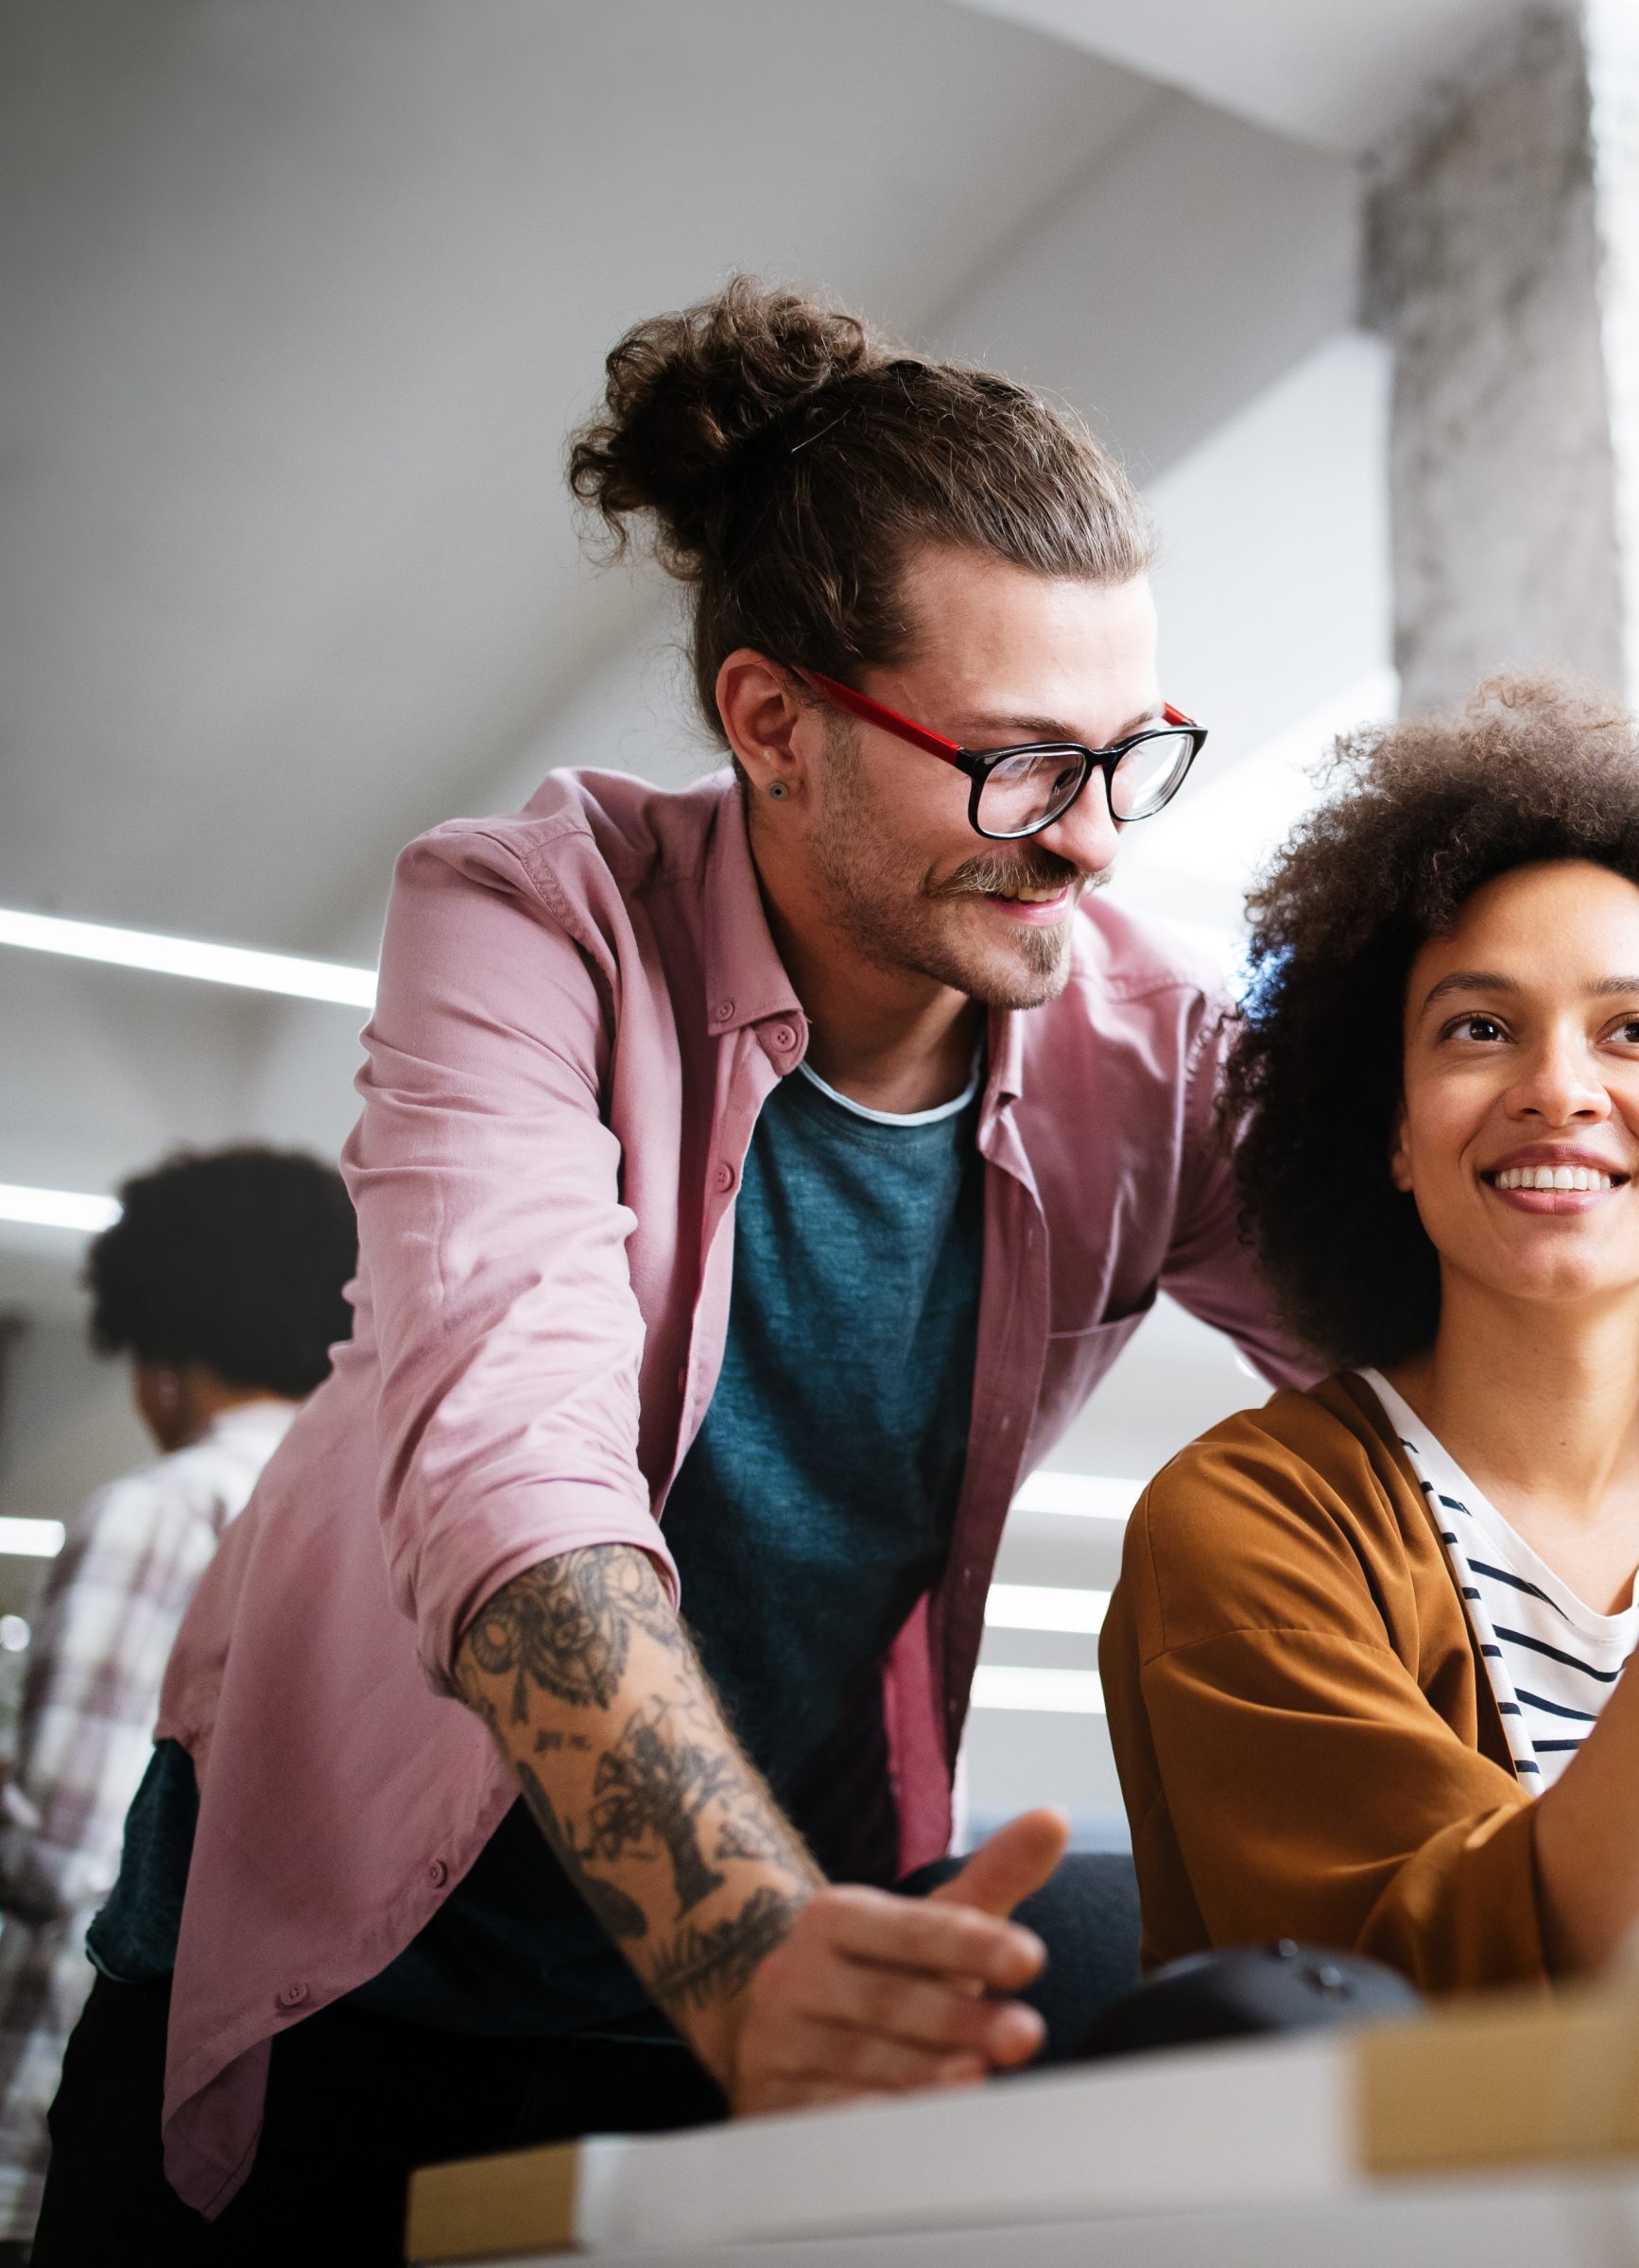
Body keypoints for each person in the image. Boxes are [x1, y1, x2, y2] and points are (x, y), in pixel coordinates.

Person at [35, 279, 1306, 2261]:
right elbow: (508, 1458)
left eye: (1130, 755)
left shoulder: (1153, 1051)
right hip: (358, 1966)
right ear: (774, 724)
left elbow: (1444, 1374)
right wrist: (741, 1943)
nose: (1093, 848)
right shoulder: (534, 921)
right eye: (1017, 767)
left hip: (750, 1993)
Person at [1100, 679, 1639, 1984]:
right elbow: (1499, 1985)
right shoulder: (1247, 1522)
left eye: (1635, 1031)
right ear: (1389, 1127)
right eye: (1479, 1029)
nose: (1558, 1088)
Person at [0, 1148, 354, 2260]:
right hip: (249, 2102)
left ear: (159, 1361)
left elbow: (57, 1855)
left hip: (65, 2086)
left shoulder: (157, 1509)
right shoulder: (365, 1520)